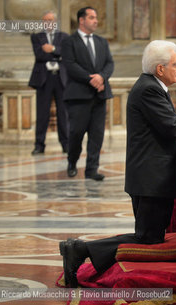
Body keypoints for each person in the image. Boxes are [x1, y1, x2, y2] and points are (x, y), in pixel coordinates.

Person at [59, 40, 176, 288]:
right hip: (151, 179)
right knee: (147, 239)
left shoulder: (152, 86)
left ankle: (80, 249)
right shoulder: (149, 89)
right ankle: (79, 249)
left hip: (150, 177)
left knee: (149, 238)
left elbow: (173, 120)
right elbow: (175, 128)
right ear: (160, 69)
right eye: (175, 64)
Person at [61, 6, 114, 181]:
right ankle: (72, 162)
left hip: (99, 95)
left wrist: (101, 77)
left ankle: (92, 169)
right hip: (78, 95)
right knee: (76, 133)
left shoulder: (101, 42)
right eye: (91, 17)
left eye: (96, 17)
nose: (95, 21)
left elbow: (109, 63)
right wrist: (90, 79)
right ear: (81, 20)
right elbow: (70, 64)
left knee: (97, 135)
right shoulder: (70, 41)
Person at [28, 11, 69, 155]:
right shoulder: (36, 37)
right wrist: (57, 55)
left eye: (50, 20)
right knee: (42, 113)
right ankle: (39, 145)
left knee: (63, 113)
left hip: (60, 78)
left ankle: (66, 144)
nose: (48, 23)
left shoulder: (64, 36)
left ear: (55, 21)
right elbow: (39, 55)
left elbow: (66, 54)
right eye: (45, 21)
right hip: (43, 79)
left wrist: (52, 49)